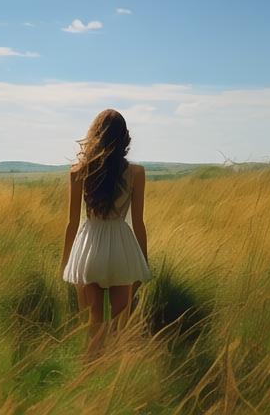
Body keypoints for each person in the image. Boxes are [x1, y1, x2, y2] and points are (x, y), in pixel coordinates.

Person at [60, 108, 152, 359]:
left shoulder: (79, 171)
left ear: (94, 135)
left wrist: (65, 262)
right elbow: (139, 222)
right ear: (124, 138)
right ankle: (120, 381)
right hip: (122, 249)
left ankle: (91, 377)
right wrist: (143, 264)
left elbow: (71, 222)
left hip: (89, 247)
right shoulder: (136, 173)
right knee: (122, 324)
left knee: (94, 324)